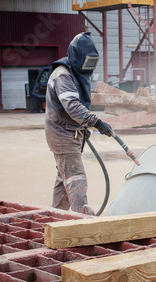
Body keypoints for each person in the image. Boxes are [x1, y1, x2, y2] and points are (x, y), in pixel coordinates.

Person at [44, 32, 112, 215]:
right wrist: (95, 122)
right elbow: (72, 106)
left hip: (69, 134)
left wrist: (83, 127)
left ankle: (55, 219)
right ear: (77, 56)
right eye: (86, 62)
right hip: (62, 137)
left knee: (64, 184)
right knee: (77, 182)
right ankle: (84, 226)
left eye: (92, 63)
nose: (88, 67)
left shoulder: (74, 73)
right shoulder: (63, 75)